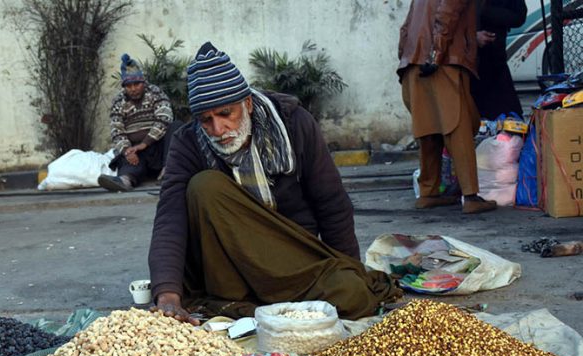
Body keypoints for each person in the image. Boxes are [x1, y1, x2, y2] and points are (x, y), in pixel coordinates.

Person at [148, 42, 401, 325]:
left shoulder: (294, 125)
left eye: (225, 114)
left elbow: (331, 203)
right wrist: (167, 294)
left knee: (353, 295)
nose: (218, 130)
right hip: (228, 266)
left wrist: (350, 268)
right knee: (205, 186)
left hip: (289, 253)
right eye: (206, 120)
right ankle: (246, 304)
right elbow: (170, 217)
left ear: (247, 104)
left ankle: (253, 308)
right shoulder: (188, 142)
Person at [398, 0, 498, 214]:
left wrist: (405, 59)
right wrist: (436, 53)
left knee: (428, 129)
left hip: (413, 62)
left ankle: (428, 192)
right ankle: (470, 196)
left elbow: (406, 27)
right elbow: (447, 14)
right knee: (459, 125)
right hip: (443, 61)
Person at [99, 54, 181, 192]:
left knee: (176, 127)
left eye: (136, 84)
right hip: (135, 152)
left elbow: (164, 119)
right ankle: (125, 181)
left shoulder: (156, 93)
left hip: (157, 147)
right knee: (126, 160)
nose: (133, 89)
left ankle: (169, 173)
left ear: (143, 82)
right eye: (129, 85)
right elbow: (117, 130)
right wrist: (127, 150)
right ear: (124, 86)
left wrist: (145, 143)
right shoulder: (119, 101)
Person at [471, 0, 527, 120]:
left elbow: (519, 16)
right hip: (469, 62)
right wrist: (472, 36)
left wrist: (487, 13)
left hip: (495, 59)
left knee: (508, 114)